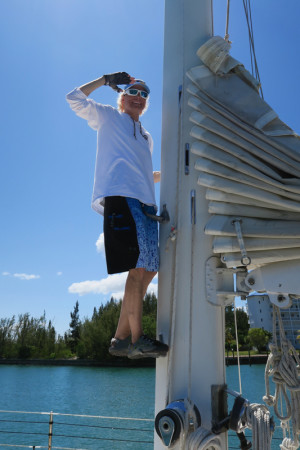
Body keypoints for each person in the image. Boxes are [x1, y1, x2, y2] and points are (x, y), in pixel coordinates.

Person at [66, 72, 168, 359]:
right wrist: (104, 79)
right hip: (121, 199)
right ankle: (138, 339)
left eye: (145, 95)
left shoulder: (145, 137)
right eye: (134, 92)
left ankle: (120, 338)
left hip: (146, 206)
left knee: (150, 269)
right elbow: (74, 98)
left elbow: (147, 174)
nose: (139, 98)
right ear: (122, 98)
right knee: (136, 269)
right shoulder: (110, 117)